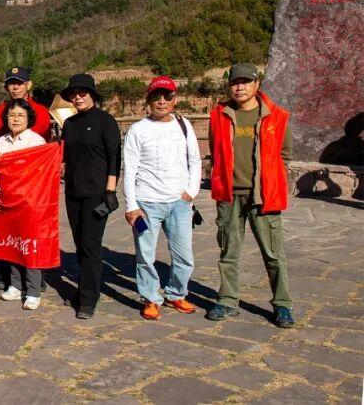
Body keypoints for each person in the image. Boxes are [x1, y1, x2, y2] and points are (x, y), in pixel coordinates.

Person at [206, 63, 295, 328]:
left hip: (264, 197)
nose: (240, 87)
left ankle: (283, 305)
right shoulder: (219, 115)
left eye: (245, 81)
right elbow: (215, 150)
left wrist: (271, 181)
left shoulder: (276, 116)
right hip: (229, 195)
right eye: (235, 82)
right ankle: (227, 301)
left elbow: (284, 154)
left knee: (274, 254)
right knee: (228, 253)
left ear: (257, 84)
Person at [121, 77, 201, 320]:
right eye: (156, 96)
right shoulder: (138, 130)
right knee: (145, 256)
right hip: (147, 204)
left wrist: (191, 192)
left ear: (175, 99)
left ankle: (176, 293)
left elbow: (195, 161)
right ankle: (150, 298)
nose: (162, 101)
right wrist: (131, 205)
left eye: (167, 96)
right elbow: (130, 169)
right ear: (148, 99)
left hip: (180, 204)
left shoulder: (184, 125)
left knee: (184, 255)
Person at [60, 73, 120, 320]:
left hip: (96, 193)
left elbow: (114, 157)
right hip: (73, 192)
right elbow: (64, 155)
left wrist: (110, 189)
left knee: (91, 245)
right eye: (73, 94)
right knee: (79, 244)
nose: (77, 97)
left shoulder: (106, 121)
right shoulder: (69, 124)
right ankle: (84, 288)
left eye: (82, 93)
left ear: (92, 95)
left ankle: (88, 298)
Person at [0, 98, 48, 310]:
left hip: (30, 201)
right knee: (12, 243)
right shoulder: (2, 141)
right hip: (7, 200)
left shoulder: (36, 141)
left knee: (30, 245)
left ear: (28, 118)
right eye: (12, 115)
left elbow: (40, 172)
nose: (15, 119)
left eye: (20, 115)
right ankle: (15, 285)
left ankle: (33, 291)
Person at [0, 67, 51, 139]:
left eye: (20, 83)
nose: (16, 87)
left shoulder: (41, 111)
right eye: (11, 83)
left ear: (28, 85)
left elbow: (47, 141)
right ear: (6, 87)